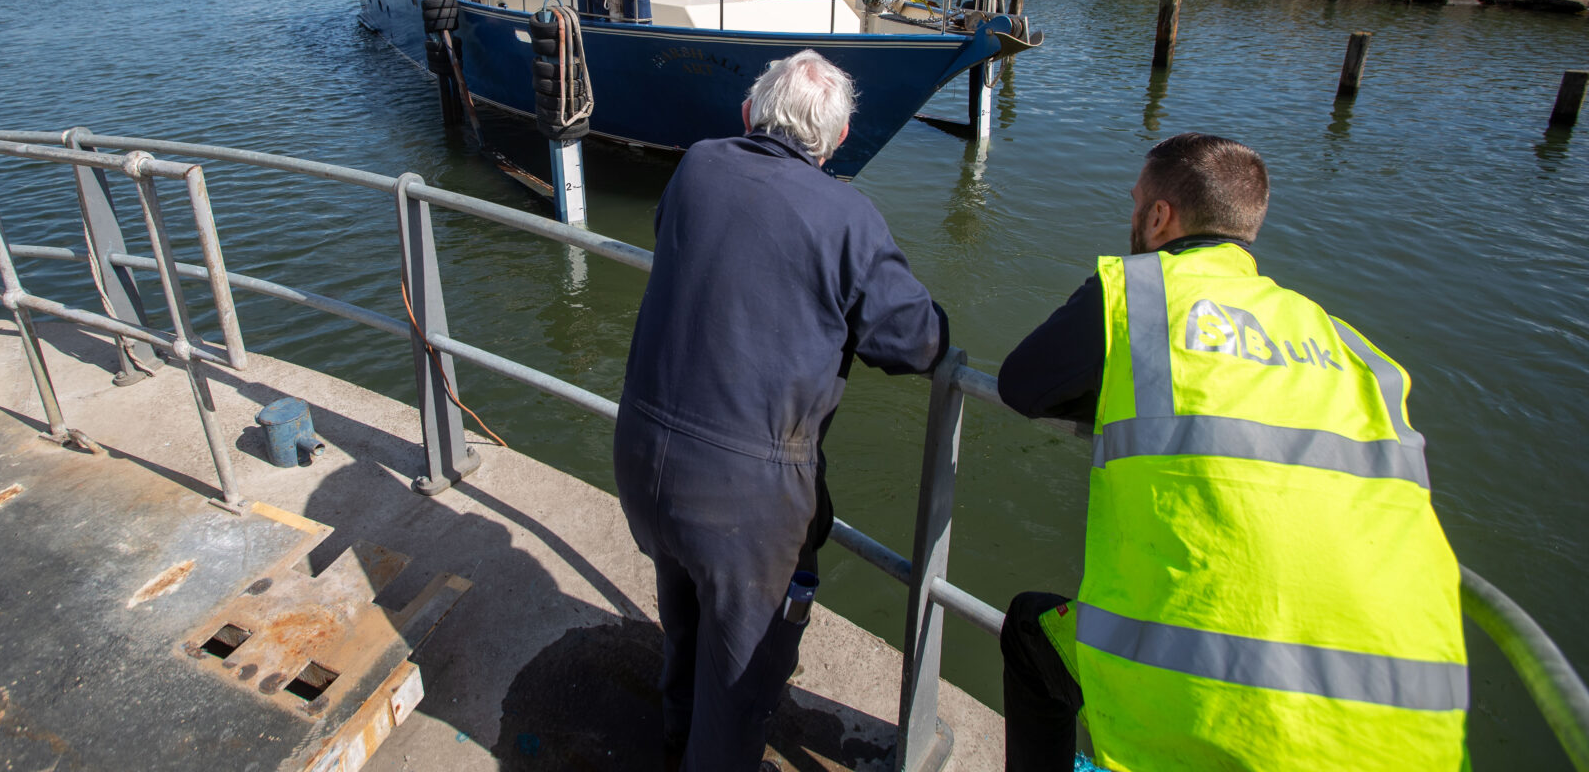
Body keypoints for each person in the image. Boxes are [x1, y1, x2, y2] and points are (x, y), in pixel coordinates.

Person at [996, 133, 1468, 772]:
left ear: (1159, 216)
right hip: (1415, 728)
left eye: (1135, 202)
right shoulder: (1351, 346)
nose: (1131, 215)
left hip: (1222, 712)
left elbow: (1021, 384)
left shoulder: (1141, 292)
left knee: (1033, 631)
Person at [615, 50, 953, 772]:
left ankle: (677, 742)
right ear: (836, 141)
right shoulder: (848, 216)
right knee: (741, 678)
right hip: (743, 497)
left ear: (747, 115)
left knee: (684, 625)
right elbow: (914, 342)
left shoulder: (697, 166)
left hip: (644, 454)